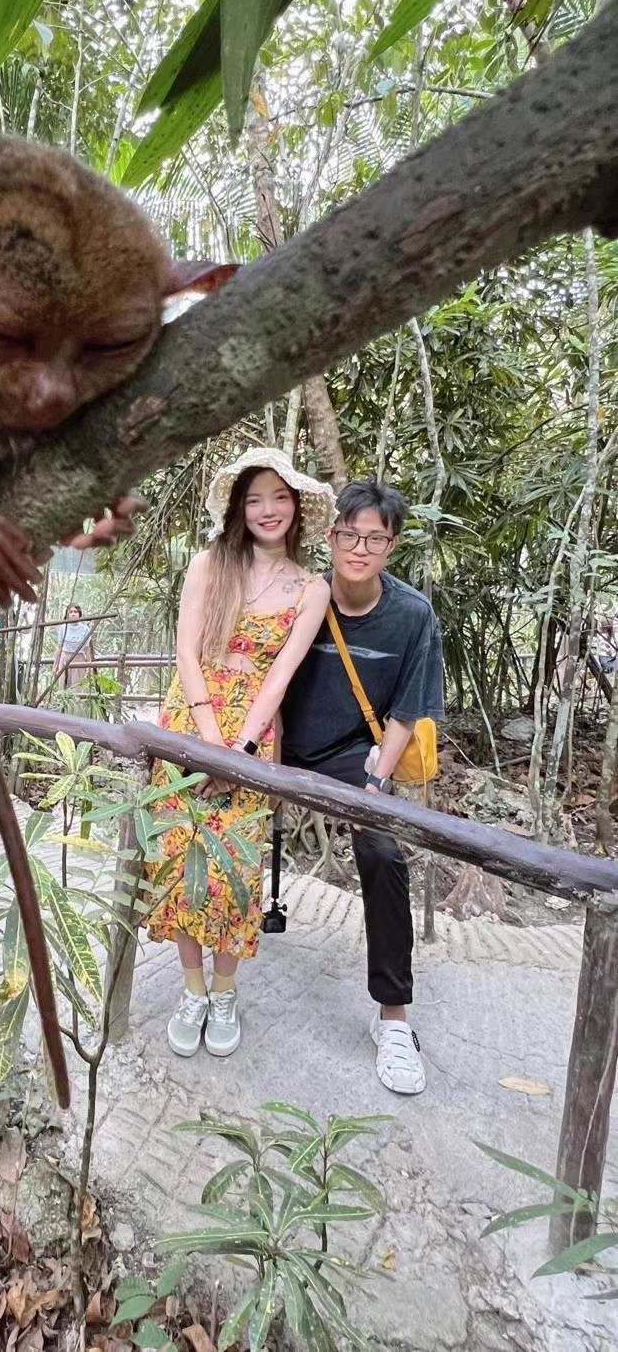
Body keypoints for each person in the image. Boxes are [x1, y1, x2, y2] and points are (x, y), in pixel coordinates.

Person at [145, 448, 335, 1058]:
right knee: (180, 859)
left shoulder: (312, 588)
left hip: (255, 733)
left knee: (234, 869)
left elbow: (280, 675)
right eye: (254, 499)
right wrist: (206, 741)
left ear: (298, 507)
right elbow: (184, 652)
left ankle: (225, 992)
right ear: (237, 507)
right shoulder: (209, 564)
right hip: (189, 721)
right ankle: (193, 989)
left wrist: (243, 750)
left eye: (279, 498)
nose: (267, 510)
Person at [281, 478, 444, 1096]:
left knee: (382, 851)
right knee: (220, 820)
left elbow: (407, 711)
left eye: (374, 538)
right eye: (349, 534)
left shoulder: (411, 615)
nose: (359, 547)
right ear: (330, 537)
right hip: (280, 745)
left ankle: (394, 1020)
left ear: (391, 546)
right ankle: (213, 986)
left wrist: (376, 778)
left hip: (355, 753)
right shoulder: (300, 595)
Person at [53, 604, 93, 686]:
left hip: (79, 658)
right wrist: (55, 666)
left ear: (79, 614)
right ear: (67, 614)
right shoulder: (63, 628)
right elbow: (59, 648)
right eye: (71, 612)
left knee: (77, 686)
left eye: (75, 612)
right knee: (63, 685)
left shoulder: (85, 629)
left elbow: (87, 649)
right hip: (65, 658)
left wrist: (89, 666)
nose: (73, 614)